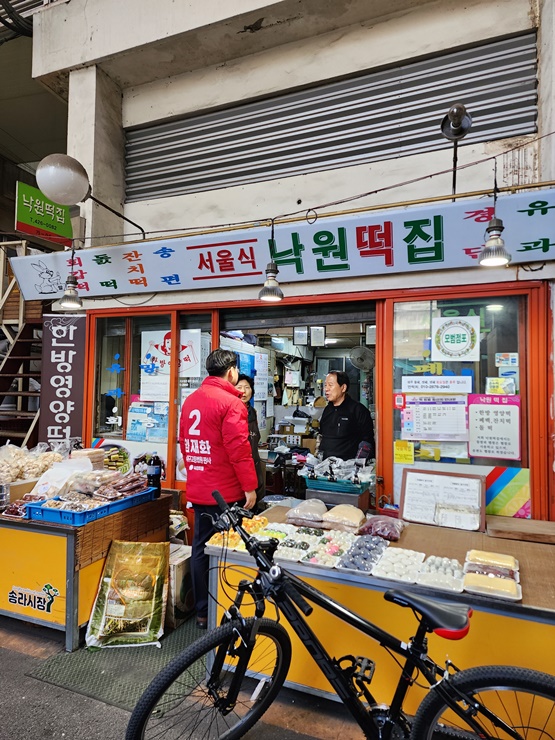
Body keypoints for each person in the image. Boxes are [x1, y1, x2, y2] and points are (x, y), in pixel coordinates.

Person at [179, 349, 258, 629]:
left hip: (200, 489)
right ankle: (223, 613)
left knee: (201, 548)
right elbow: (239, 450)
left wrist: (195, 473)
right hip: (226, 493)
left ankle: (202, 612)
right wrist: (250, 487)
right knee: (228, 550)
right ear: (232, 372)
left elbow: (184, 443)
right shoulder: (232, 403)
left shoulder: (191, 400)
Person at [319, 371, 375, 461]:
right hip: (326, 467)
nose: (326, 389)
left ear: (343, 387)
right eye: (325, 385)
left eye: (330, 385)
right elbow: (322, 437)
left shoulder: (358, 410)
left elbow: (367, 443)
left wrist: (357, 466)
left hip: (348, 469)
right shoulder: (327, 410)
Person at [236, 374, 265, 506]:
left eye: (247, 387)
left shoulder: (253, 412)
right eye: (240, 387)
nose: (244, 391)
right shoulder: (231, 411)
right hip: (239, 470)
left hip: (254, 466)